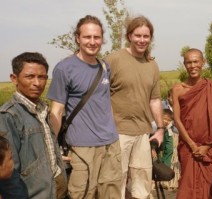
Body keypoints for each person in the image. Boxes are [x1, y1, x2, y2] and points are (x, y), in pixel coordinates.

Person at [47, 15, 122, 199]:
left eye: (96, 37)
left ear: (102, 39)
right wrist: (51, 148)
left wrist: (114, 131)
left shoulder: (104, 66)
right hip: (82, 146)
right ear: (77, 38)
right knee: (82, 194)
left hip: (110, 144)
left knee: (110, 194)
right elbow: (56, 111)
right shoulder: (64, 69)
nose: (92, 41)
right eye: (87, 37)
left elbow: (106, 102)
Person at [105, 15, 164, 199]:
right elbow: (100, 97)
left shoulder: (152, 65)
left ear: (150, 38)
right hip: (117, 132)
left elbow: (154, 100)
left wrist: (160, 128)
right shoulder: (113, 60)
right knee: (116, 181)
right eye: (137, 35)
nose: (142, 40)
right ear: (129, 36)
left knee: (142, 181)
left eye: (146, 36)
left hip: (142, 132)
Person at [0, 52, 67, 199]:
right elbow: (8, 171)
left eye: (42, 77)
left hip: (55, 187)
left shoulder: (43, 109)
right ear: (14, 79)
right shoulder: (8, 116)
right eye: (30, 77)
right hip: (32, 192)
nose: (37, 83)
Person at [172, 48, 212, 199]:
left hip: (209, 149)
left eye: (196, 61)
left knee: (207, 190)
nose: (192, 65)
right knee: (186, 189)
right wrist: (192, 145)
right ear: (184, 64)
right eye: (189, 62)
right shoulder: (178, 89)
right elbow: (176, 119)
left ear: (203, 62)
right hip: (189, 148)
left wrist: (207, 146)